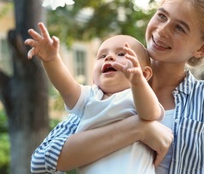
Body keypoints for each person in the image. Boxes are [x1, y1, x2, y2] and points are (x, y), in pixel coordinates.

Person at [30, 0, 204, 174]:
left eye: (180, 28)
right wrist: (140, 128)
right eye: (162, 16)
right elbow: (42, 161)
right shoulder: (111, 87)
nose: (163, 30)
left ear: (202, 49)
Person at [25, 23, 164, 173]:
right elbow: (66, 87)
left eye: (122, 54)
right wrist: (51, 60)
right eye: (102, 56)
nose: (109, 57)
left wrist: (138, 82)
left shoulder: (137, 96)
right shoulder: (91, 96)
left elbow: (150, 114)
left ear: (145, 74)